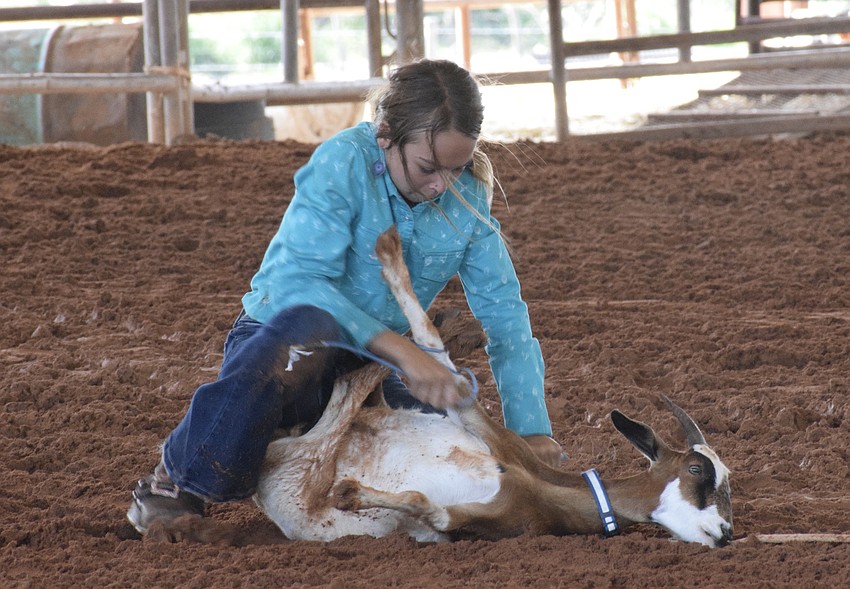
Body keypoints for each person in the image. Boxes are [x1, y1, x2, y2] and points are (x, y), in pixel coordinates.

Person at [127, 58, 563, 535]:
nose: (441, 184)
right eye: (427, 167)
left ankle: (306, 458)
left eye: (457, 168)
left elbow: (503, 311)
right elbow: (301, 283)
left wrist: (530, 427)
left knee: (456, 448)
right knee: (303, 329)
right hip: (289, 345)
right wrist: (405, 353)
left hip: (373, 368)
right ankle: (178, 477)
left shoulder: (469, 194)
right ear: (385, 133)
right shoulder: (343, 162)